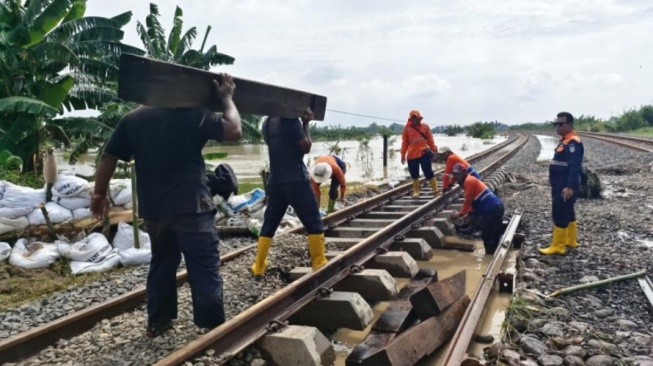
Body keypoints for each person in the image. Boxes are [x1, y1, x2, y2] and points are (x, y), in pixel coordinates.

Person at [90, 74, 242, 337]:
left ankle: (157, 323)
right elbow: (234, 130)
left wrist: (99, 194)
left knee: (162, 264)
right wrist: (227, 97)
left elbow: (109, 155)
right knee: (203, 267)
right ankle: (211, 329)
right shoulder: (193, 113)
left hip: (155, 210)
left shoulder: (133, 119)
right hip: (192, 207)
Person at [250, 107, 328, 276]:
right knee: (313, 221)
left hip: (275, 182)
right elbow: (306, 147)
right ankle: (319, 263)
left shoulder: (267, 123)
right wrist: (306, 124)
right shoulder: (291, 122)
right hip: (296, 180)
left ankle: (259, 266)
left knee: (270, 223)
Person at [539, 111, 584, 255]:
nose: (557, 127)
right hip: (561, 184)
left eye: (560, 124)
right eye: (555, 124)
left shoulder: (572, 143)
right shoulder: (565, 140)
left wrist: (570, 187)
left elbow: (575, 166)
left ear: (569, 125)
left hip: (564, 185)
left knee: (559, 212)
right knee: (568, 212)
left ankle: (558, 246)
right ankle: (570, 241)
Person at [450, 163, 504, 255]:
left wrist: (460, 214)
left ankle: (490, 258)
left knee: (489, 236)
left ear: (464, 172)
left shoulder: (468, 181)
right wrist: (470, 213)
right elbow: (474, 200)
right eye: (454, 174)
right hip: (494, 207)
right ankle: (494, 255)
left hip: (491, 209)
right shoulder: (468, 180)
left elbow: (468, 199)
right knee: (494, 234)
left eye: (458, 174)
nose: (456, 176)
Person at [400, 109, 438, 198]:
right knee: (414, 174)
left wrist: (434, 149)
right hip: (412, 155)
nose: (415, 120)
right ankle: (416, 191)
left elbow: (430, 139)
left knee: (428, 172)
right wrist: (402, 155)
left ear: (419, 118)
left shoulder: (425, 127)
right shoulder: (406, 129)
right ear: (410, 119)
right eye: (413, 118)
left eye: (416, 118)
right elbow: (404, 143)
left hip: (424, 153)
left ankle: (435, 190)